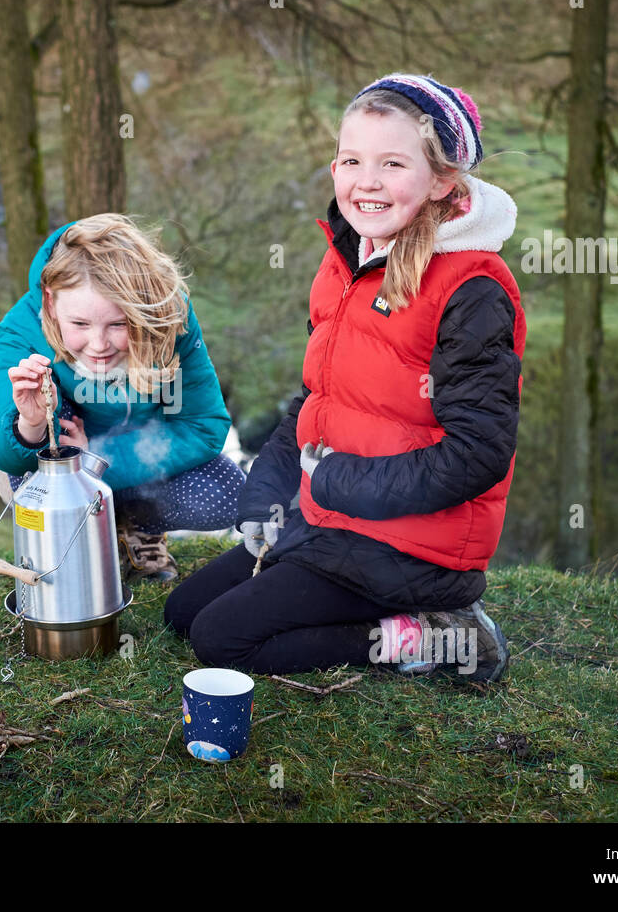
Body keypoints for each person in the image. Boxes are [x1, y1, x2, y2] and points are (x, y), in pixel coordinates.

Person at [164, 73, 527, 682]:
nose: (368, 181)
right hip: (331, 518)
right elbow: (317, 399)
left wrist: (335, 482)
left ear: (442, 180)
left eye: (392, 163)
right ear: (334, 168)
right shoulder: (347, 263)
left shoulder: (473, 291)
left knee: (220, 639)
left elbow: (479, 453)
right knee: (183, 612)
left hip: (411, 547)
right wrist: (267, 493)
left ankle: (436, 638)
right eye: (352, 160)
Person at [0, 213, 244, 582]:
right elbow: (8, 450)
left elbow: (203, 425)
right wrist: (32, 423)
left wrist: (99, 461)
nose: (99, 345)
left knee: (229, 494)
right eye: (80, 325)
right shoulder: (20, 329)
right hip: (60, 458)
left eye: (119, 324)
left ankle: (138, 524)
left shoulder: (169, 314)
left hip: (132, 451)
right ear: (50, 301)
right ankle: (78, 539)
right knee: (33, 442)